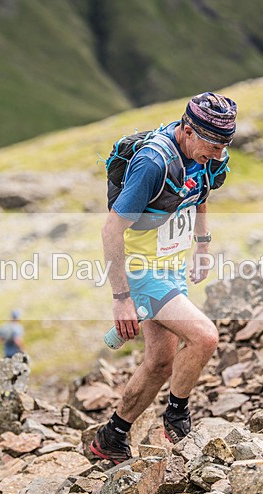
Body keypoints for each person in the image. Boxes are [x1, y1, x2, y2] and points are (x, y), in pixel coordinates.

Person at [90, 92, 237, 463]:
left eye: (224, 146)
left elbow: (200, 192)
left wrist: (202, 247)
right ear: (188, 130)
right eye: (212, 146)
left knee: (159, 363)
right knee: (204, 337)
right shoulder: (153, 163)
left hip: (172, 267)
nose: (217, 155)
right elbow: (111, 230)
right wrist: (121, 298)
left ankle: (112, 437)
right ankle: (177, 416)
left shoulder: (206, 155)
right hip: (141, 270)